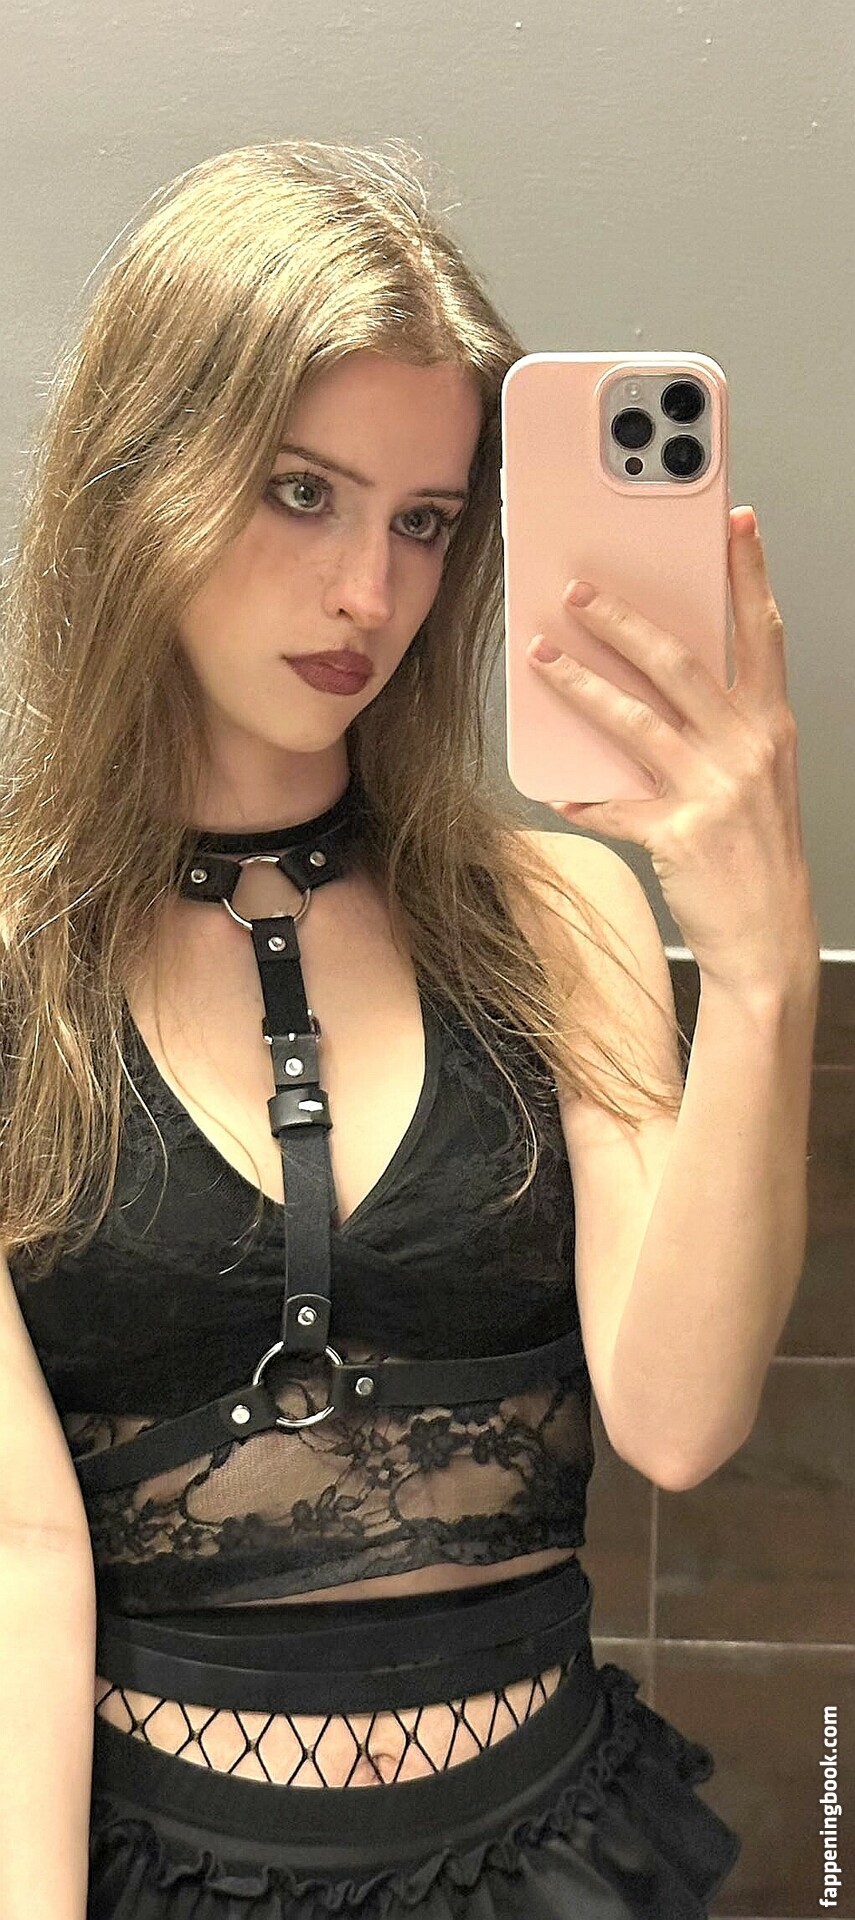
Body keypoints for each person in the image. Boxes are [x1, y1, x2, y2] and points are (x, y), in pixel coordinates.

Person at [0, 139, 820, 1920]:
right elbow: (18, 1551)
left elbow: (680, 1420)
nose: (370, 592)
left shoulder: (554, 911)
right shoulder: (15, 971)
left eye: (426, 520)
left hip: (557, 1854)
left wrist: (760, 971)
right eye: (303, 492)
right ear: (145, 471)